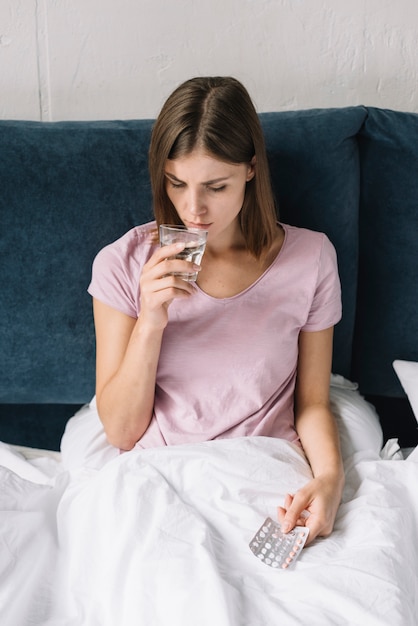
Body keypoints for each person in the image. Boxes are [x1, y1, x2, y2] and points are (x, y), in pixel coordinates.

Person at [87, 76, 345, 544]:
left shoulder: (311, 259)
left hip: (263, 470)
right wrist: (151, 321)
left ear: (250, 170)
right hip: (160, 475)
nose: (193, 208)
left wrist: (329, 479)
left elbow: (311, 402)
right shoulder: (122, 263)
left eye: (215, 186)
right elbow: (122, 431)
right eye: (176, 182)